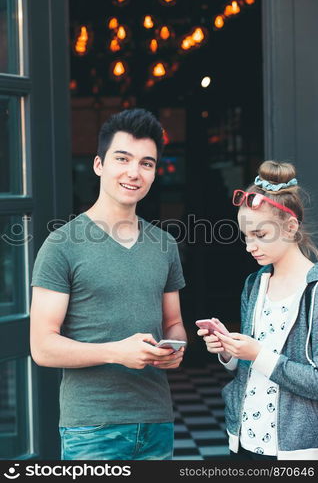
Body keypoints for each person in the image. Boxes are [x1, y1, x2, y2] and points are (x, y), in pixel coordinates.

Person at [30, 108, 187, 460]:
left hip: (157, 421)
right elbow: (42, 347)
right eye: (123, 159)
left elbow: (173, 322)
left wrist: (176, 347)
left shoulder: (164, 244)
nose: (134, 172)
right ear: (99, 165)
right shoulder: (62, 244)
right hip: (92, 428)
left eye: (147, 163)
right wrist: (117, 351)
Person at [197, 160, 318, 460]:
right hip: (244, 440)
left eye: (260, 235)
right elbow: (248, 364)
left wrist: (257, 354)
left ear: (291, 227)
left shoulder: (314, 290)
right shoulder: (254, 284)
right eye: (246, 236)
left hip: (297, 450)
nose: (250, 246)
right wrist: (229, 349)